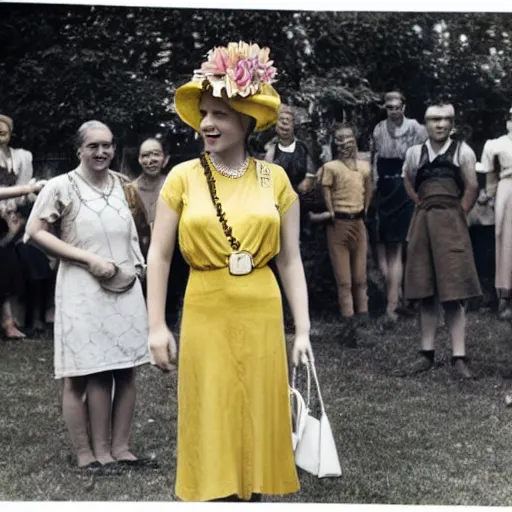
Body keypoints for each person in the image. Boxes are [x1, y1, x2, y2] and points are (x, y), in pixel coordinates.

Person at [147, 41, 312, 502]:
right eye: (204, 113)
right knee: (210, 409)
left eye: (219, 113)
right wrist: (156, 326)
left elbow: (290, 259)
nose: (207, 123)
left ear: (246, 119)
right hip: (205, 304)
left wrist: (302, 329)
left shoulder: (274, 179)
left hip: (261, 307)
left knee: (257, 413)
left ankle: (251, 496)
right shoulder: (182, 176)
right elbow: (159, 257)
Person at [26, 120, 151, 471]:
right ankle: (89, 453)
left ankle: (121, 448)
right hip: (82, 287)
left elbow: (135, 233)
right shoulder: (60, 186)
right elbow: (35, 231)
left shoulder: (124, 186)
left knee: (125, 369)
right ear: (79, 149)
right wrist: (88, 259)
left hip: (124, 286)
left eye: (107, 146)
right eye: (93, 146)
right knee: (88, 371)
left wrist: (138, 267)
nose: (101, 152)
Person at [402, 103, 481, 379]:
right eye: (435, 120)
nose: (441, 124)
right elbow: (408, 181)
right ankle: (426, 354)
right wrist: (422, 204)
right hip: (423, 222)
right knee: (425, 289)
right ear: (426, 123)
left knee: (453, 290)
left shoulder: (463, 151)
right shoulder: (414, 153)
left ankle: (459, 356)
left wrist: (459, 212)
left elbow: (472, 186)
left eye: (447, 120)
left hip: (451, 224)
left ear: (452, 124)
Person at [371, 92, 428, 321]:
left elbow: (424, 159)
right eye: (389, 107)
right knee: (381, 245)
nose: (393, 111)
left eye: (397, 107)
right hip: (384, 187)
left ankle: (393, 305)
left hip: (404, 184)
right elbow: (374, 160)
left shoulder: (416, 128)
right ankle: (397, 293)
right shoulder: (378, 129)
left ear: (404, 107)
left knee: (399, 246)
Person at [124, 137, 189, 326]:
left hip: (172, 262)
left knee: (167, 315)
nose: (150, 160)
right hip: (137, 261)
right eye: (145, 155)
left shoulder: (177, 188)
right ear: (138, 159)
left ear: (165, 159)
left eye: (155, 154)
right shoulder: (128, 191)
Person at [320, 123, 372, 338]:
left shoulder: (364, 167)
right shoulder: (330, 167)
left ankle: (364, 319)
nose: (345, 144)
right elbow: (325, 192)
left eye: (349, 138)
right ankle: (348, 323)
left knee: (360, 277)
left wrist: (364, 211)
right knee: (344, 279)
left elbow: (369, 189)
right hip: (338, 225)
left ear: (355, 140)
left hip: (358, 223)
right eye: (340, 139)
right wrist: (331, 213)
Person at [0, 114, 36, 339]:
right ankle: (8, 322)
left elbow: (25, 193)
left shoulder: (21, 157)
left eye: (3, 127)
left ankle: (12, 320)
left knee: (18, 257)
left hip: (11, 218)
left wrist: (14, 209)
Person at [480, 106, 512, 319]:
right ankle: (505, 298)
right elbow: (490, 177)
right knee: (506, 241)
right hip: (507, 189)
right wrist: (490, 198)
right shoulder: (496, 144)